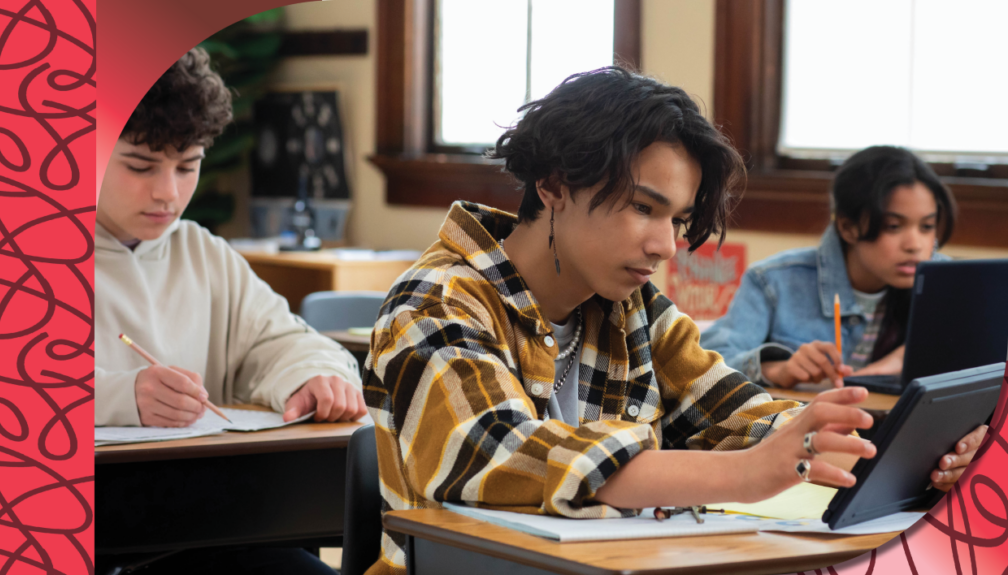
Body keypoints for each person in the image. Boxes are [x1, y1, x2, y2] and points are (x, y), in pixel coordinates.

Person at [361, 69, 983, 575]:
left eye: (681, 220)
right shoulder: (436, 302)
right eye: (642, 207)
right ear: (553, 185)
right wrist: (746, 472)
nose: (667, 245)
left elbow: (739, 413)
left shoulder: (631, 308)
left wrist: (890, 446)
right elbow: (502, 452)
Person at [95, 48, 364, 574]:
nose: (168, 192)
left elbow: (283, 340)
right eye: (140, 166)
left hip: (206, 524)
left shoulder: (202, 252)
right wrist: (122, 396)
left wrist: (314, 376)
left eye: (187, 165)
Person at [701, 146, 956, 389]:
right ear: (847, 227)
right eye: (893, 226)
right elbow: (707, 365)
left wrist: (906, 355)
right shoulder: (773, 281)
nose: (915, 245)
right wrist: (778, 370)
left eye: (926, 227)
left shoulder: (947, 280)